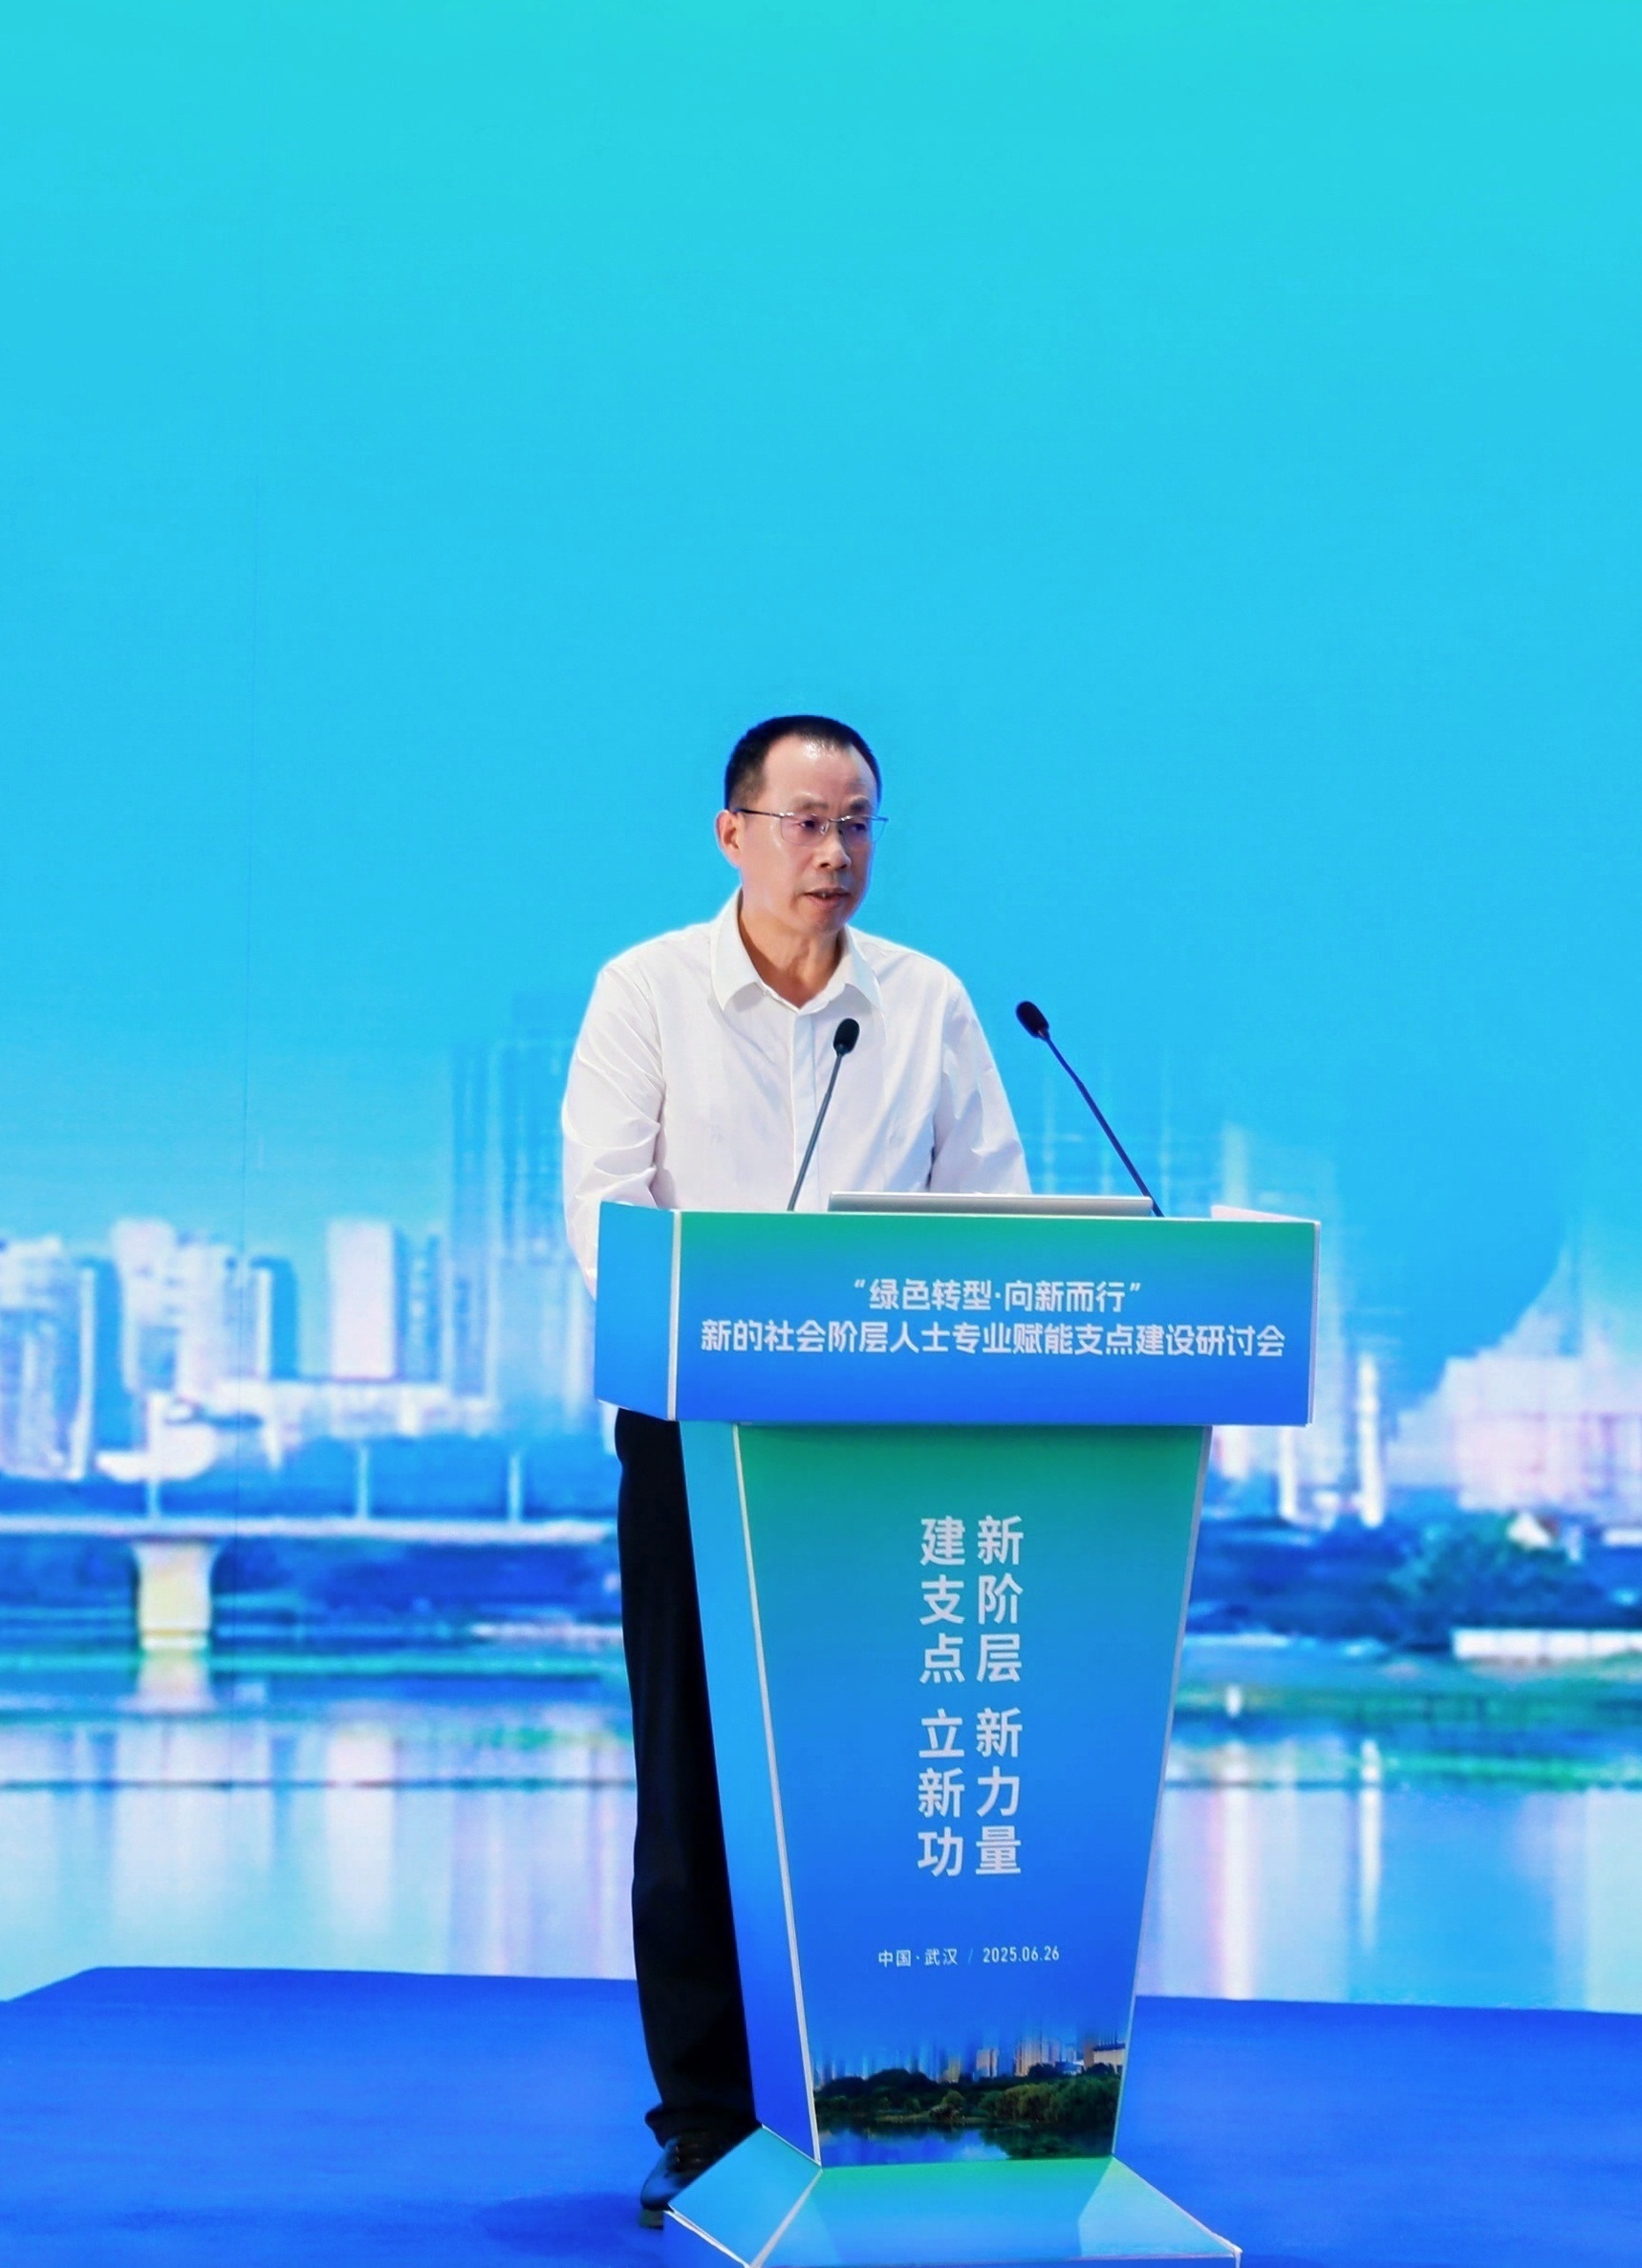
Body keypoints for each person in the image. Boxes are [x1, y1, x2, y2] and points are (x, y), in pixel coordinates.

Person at [562, 713, 1030, 2225]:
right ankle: (706, 2116)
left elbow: (993, 1207)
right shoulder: (645, 988)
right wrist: (724, 1333)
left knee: (886, 1771)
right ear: (734, 832)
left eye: (858, 824)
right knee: (694, 1783)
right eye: (807, 822)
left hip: (885, 1435)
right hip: (694, 1431)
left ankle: (890, 2089)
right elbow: (606, 1211)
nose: (835, 853)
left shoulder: (926, 998)